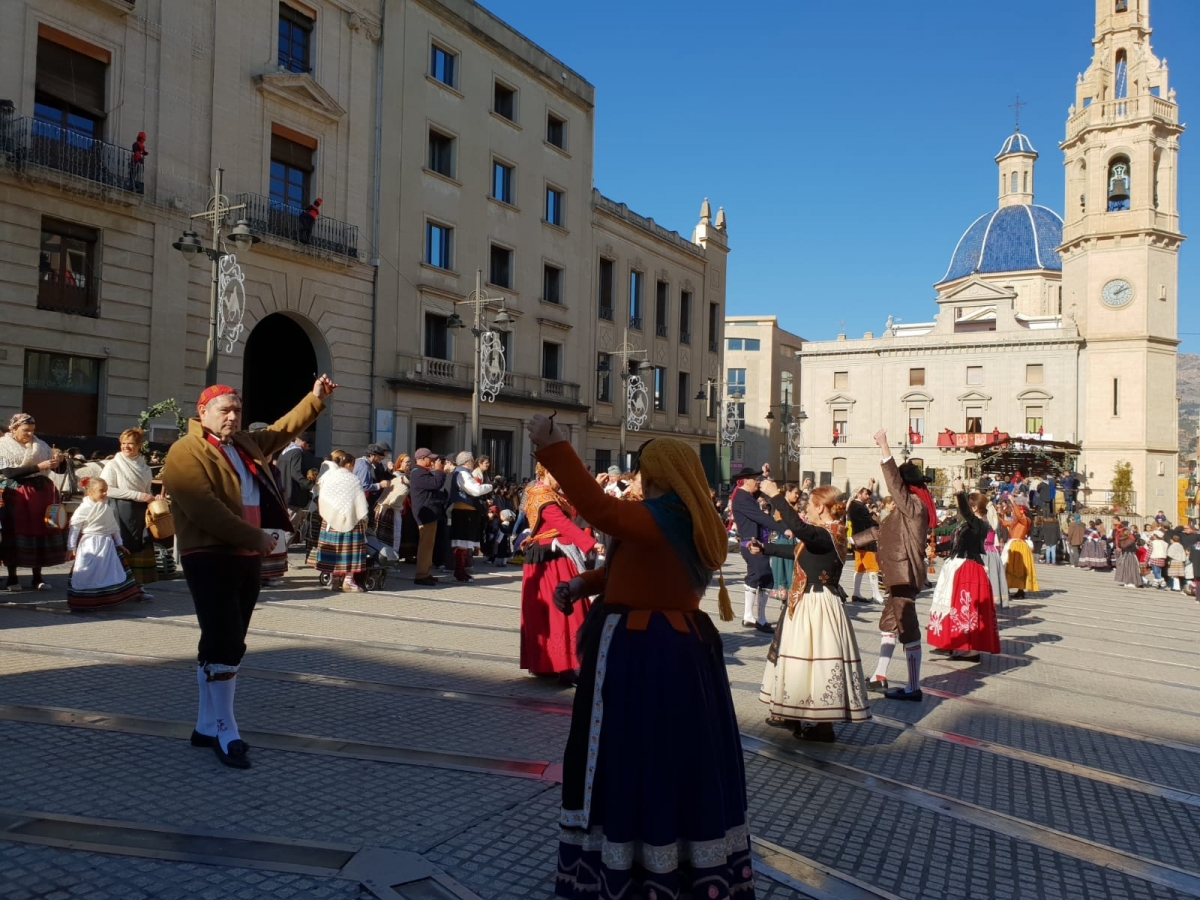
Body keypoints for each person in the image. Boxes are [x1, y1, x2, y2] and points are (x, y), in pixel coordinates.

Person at [525, 415, 752, 900]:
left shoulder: (665, 513)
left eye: (646, 471)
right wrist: (583, 583)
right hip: (679, 647)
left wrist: (554, 446)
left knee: (638, 755)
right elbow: (631, 566)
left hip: (647, 653)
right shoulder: (678, 515)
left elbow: (597, 511)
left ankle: (643, 870)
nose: (640, 481)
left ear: (663, 475)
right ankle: (687, 863)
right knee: (677, 758)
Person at [162, 377, 334, 770]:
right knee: (226, 640)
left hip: (244, 554)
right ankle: (227, 728)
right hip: (210, 553)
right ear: (202, 412)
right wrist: (254, 536)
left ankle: (207, 725)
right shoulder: (184, 451)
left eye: (237, 409)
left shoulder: (244, 443)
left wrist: (315, 399)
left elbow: (281, 429)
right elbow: (203, 508)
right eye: (225, 409)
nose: (233, 415)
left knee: (224, 638)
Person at [755, 483, 870, 742]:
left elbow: (798, 528)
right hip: (810, 601)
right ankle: (799, 715)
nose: (806, 508)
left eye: (809, 505)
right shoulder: (826, 533)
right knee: (805, 661)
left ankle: (822, 725)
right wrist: (765, 549)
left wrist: (775, 496)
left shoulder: (828, 533)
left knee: (815, 661)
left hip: (816, 604)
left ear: (820, 506)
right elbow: (798, 552)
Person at [519, 462, 600, 685]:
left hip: (553, 555)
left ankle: (548, 664)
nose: (560, 478)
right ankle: (566, 665)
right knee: (564, 610)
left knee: (552, 611)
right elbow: (562, 523)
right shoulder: (541, 494)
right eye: (556, 473)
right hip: (551, 557)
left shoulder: (552, 493)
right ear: (545, 472)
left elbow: (574, 513)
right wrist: (590, 544)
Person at [871, 429, 934, 702]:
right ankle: (880, 676)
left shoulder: (914, 506)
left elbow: (894, 484)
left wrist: (885, 447)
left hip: (904, 573)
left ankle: (913, 687)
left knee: (907, 627)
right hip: (897, 574)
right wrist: (849, 538)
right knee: (889, 622)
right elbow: (881, 533)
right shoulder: (906, 510)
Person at [928, 479, 1000, 662]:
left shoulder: (980, 524)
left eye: (968, 505)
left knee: (963, 608)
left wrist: (960, 491)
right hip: (956, 566)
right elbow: (951, 536)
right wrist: (930, 538)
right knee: (952, 605)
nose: (964, 509)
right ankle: (952, 643)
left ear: (974, 508)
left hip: (969, 568)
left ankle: (971, 650)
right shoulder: (965, 523)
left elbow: (965, 513)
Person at [0, 413, 70, 590]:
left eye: (32, 430)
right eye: (25, 430)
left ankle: (37, 577)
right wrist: (40, 466)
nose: (30, 434)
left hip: (42, 493)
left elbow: (59, 471)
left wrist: (59, 462)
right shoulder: (3, 446)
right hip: (17, 494)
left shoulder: (41, 445)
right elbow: (9, 472)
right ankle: (12, 578)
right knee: (15, 532)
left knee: (40, 531)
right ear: (13, 429)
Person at [65, 477, 144, 609]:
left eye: (106, 490)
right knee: (89, 571)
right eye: (102, 491)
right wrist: (71, 547)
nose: (105, 493)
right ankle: (85, 601)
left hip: (107, 544)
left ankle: (106, 599)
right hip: (90, 543)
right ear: (90, 492)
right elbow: (75, 528)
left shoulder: (106, 508)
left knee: (107, 572)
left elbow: (113, 527)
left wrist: (119, 543)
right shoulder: (83, 509)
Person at [99, 428, 159, 591]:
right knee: (123, 546)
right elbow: (107, 489)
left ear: (139, 445)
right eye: (123, 443)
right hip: (120, 510)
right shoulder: (113, 464)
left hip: (140, 512)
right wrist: (139, 495)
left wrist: (153, 497)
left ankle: (138, 586)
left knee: (140, 546)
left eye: (130, 443)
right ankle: (119, 586)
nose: (126, 447)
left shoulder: (144, 467)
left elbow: (147, 491)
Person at [732, 468, 786, 632]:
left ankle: (748, 617)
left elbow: (762, 492)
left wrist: (767, 478)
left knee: (754, 578)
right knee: (766, 578)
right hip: (752, 544)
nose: (758, 481)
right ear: (746, 480)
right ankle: (761, 620)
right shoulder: (742, 498)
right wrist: (783, 529)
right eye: (755, 479)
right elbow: (760, 517)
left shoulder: (746, 496)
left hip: (753, 542)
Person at [316, 450, 369, 592]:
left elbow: (321, 496)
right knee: (349, 551)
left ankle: (334, 580)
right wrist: (364, 517)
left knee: (334, 551)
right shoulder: (353, 479)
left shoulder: (328, 477)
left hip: (330, 519)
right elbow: (360, 503)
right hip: (350, 520)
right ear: (349, 464)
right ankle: (348, 581)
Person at [447, 452, 494, 582]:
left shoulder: (462, 473)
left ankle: (461, 570)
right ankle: (459, 572)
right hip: (464, 512)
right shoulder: (462, 473)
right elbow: (475, 490)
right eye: (472, 461)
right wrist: (491, 486)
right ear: (466, 462)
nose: (473, 463)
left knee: (465, 544)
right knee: (462, 543)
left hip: (467, 512)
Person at [408, 448, 446, 586]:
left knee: (429, 545)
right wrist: (439, 470)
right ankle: (421, 574)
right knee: (425, 546)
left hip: (429, 513)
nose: (433, 461)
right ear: (422, 458)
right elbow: (437, 483)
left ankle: (426, 572)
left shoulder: (423, 472)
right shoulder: (418, 473)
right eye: (431, 458)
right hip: (425, 515)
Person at [848, 480, 883, 603]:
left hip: (858, 539)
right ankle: (876, 595)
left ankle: (856, 593)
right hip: (866, 538)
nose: (868, 496)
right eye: (865, 494)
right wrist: (877, 520)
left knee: (860, 567)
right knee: (872, 567)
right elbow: (867, 522)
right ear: (858, 494)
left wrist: (869, 487)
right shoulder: (857, 506)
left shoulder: (855, 505)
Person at [276, 433, 316, 537]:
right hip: (293, 494)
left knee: (281, 526)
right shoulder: (297, 452)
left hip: (282, 492)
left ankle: (277, 550)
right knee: (290, 528)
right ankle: (282, 551)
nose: (308, 449)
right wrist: (310, 486)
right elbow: (296, 473)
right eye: (308, 446)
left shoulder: (284, 452)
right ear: (304, 443)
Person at [999, 500, 1038, 599]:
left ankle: (1020, 590)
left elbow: (1020, 516)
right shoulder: (1016, 521)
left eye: (1018, 512)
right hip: (1013, 545)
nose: (1016, 514)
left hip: (1020, 546)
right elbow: (1004, 523)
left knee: (1019, 568)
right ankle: (1007, 589)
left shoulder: (1026, 520)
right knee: (1007, 566)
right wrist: (997, 515)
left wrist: (1013, 501)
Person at [375, 454, 413, 555]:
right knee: (386, 536)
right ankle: (386, 557)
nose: (409, 464)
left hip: (397, 509)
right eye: (406, 462)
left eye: (410, 462)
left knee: (395, 535)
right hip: (388, 508)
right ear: (400, 462)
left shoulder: (407, 475)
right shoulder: (395, 475)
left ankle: (392, 557)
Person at [354, 444, 391, 523]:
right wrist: (379, 485)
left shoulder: (359, 462)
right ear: (371, 455)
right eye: (379, 457)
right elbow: (364, 486)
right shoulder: (364, 465)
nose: (380, 459)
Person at [1113, 522, 1141, 588]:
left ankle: (1126, 582)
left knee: (1125, 568)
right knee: (1132, 569)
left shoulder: (1121, 540)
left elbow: (1120, 546)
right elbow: (1134, 548)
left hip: (1124, 555)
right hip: (1130, 555)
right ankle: (1130, 582)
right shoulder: (1131, 540)